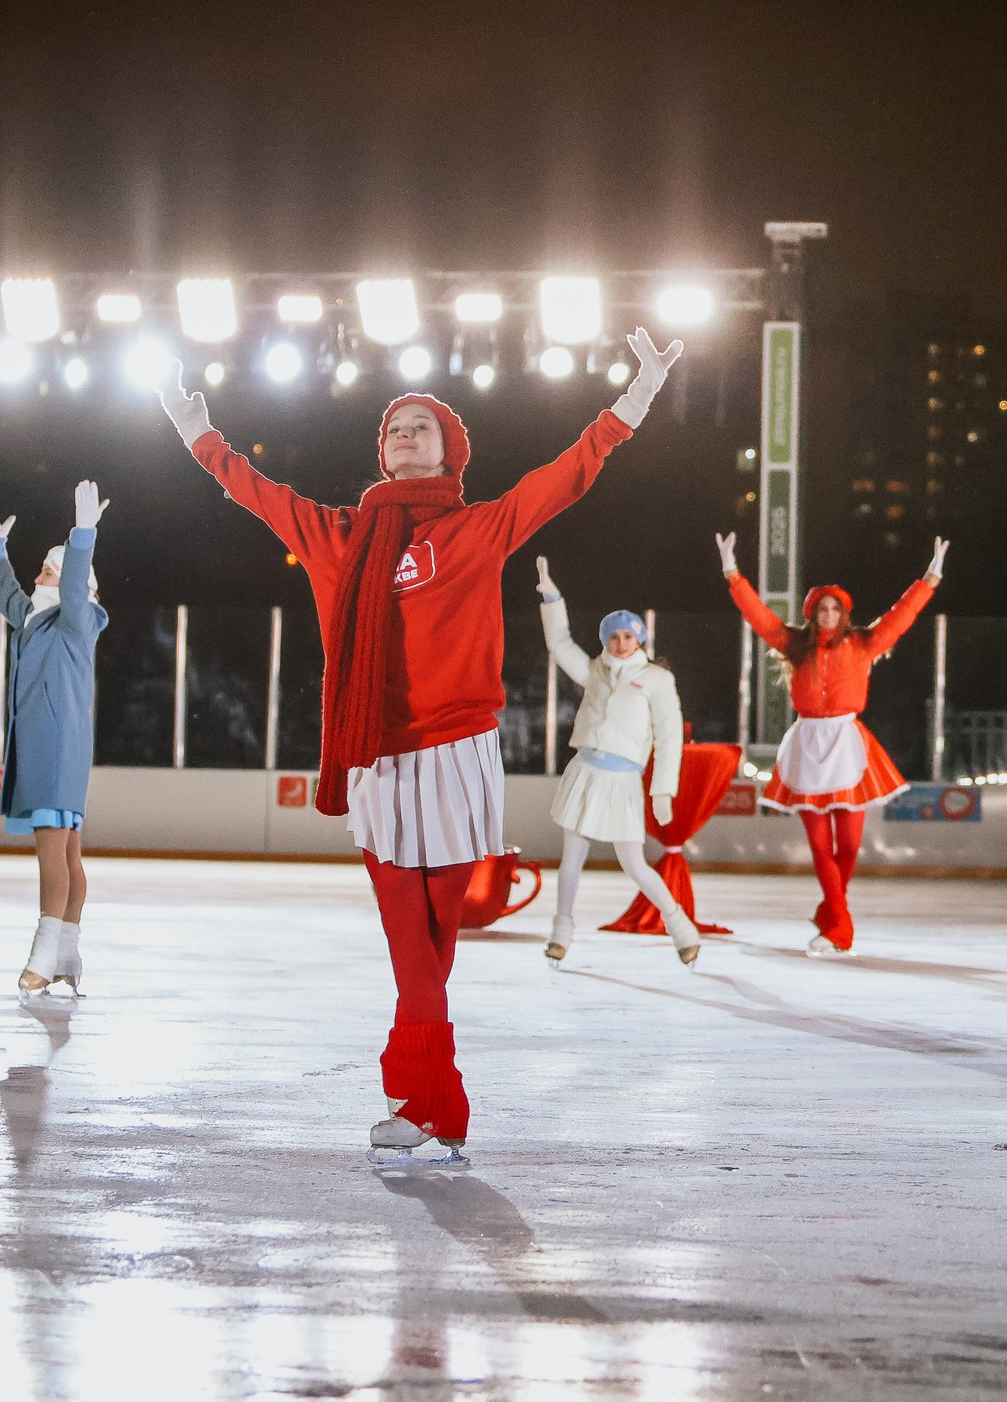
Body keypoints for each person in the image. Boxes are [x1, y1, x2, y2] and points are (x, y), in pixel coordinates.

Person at [159, 328, 680, 1161]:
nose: (405, 435)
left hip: (460, 752)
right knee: (411, 941)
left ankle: (414, 1098)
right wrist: (199, 434)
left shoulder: (478, 529)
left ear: (449, 452)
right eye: (394, 427)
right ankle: (437, 1098)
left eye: (421, 426)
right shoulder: (338, 536)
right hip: (378, 753)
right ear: (383, 451)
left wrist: (634, 400)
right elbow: (258, 492)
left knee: (436, 941)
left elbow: (566, 475)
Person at [718, 533, 946, 955]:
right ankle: (839, 928)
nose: (827, 614)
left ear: (844, 613)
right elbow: (759, 617)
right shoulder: (794, 645)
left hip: (846, 743)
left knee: (851, 844)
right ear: (811, 614)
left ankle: (830, 913)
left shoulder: (864, 643)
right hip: (807, 744)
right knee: (821, 846)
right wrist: (733, 574)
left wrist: (929, 579)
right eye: (821, 608)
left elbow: (901, 616)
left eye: (834, 608)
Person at [532, 555, 699, 968]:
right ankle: (561, 931)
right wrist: (552, 599)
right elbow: (560, 644)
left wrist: (663, 790)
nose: (621, 643)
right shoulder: (594, 671)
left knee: (634, 864)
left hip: (624, 780)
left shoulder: (657, 680)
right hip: (585, 772)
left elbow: (670, 738)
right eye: (614, 636)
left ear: (639, 639)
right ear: (605, 640)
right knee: (572, 858)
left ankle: (681, 928)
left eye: (628, 636)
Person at [0, 481, 110, 998]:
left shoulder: (77, 619)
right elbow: (6, 594)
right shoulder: (36, 619)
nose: (36, 579)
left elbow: (74, 589)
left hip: (57, 746)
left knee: (53, 856)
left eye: (46, 572)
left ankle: (42, 955)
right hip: (50, 745)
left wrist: (82, 537)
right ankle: (67, 955)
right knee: (69, 855)